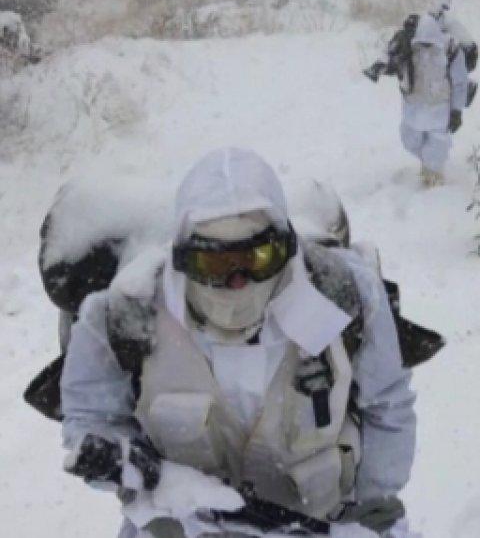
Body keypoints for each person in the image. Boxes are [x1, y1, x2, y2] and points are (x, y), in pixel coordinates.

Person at [58, 148, 418, 537]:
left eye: (258, 257)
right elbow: (91, 419)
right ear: (182, 257)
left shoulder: (345, 297)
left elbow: (387, 406)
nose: (237, 281)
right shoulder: (126, 316)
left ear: (286, 248)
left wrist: (374, 502)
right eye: (214, 263)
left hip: (321, 523)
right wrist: (131, 473)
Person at [365, 11, 471, 188]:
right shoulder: (407, 47)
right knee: (409, 140)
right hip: (413, 109)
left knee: (437, 148)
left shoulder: (450, 50)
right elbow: (391, 62)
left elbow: (460, 82)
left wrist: (456, 110)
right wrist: (381, 68)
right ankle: (428, 165)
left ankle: (433, 187)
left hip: (439, 110)